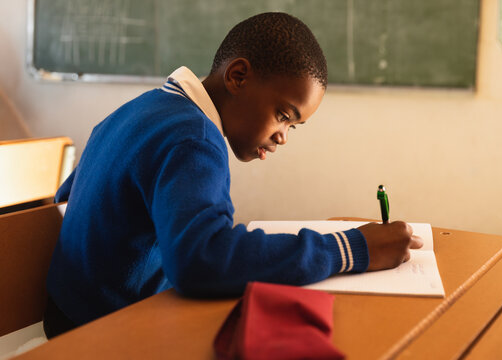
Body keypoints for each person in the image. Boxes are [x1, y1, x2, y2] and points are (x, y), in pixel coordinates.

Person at [44, 12, 422, 338]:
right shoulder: (194, 138)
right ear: (238, 76)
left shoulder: (141, 109)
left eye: (294, 126)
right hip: (102, 335)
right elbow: (201, 261)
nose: (282, 137)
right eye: (283, 115)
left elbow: (68, 196)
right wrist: (350, 249)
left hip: (65, 316)